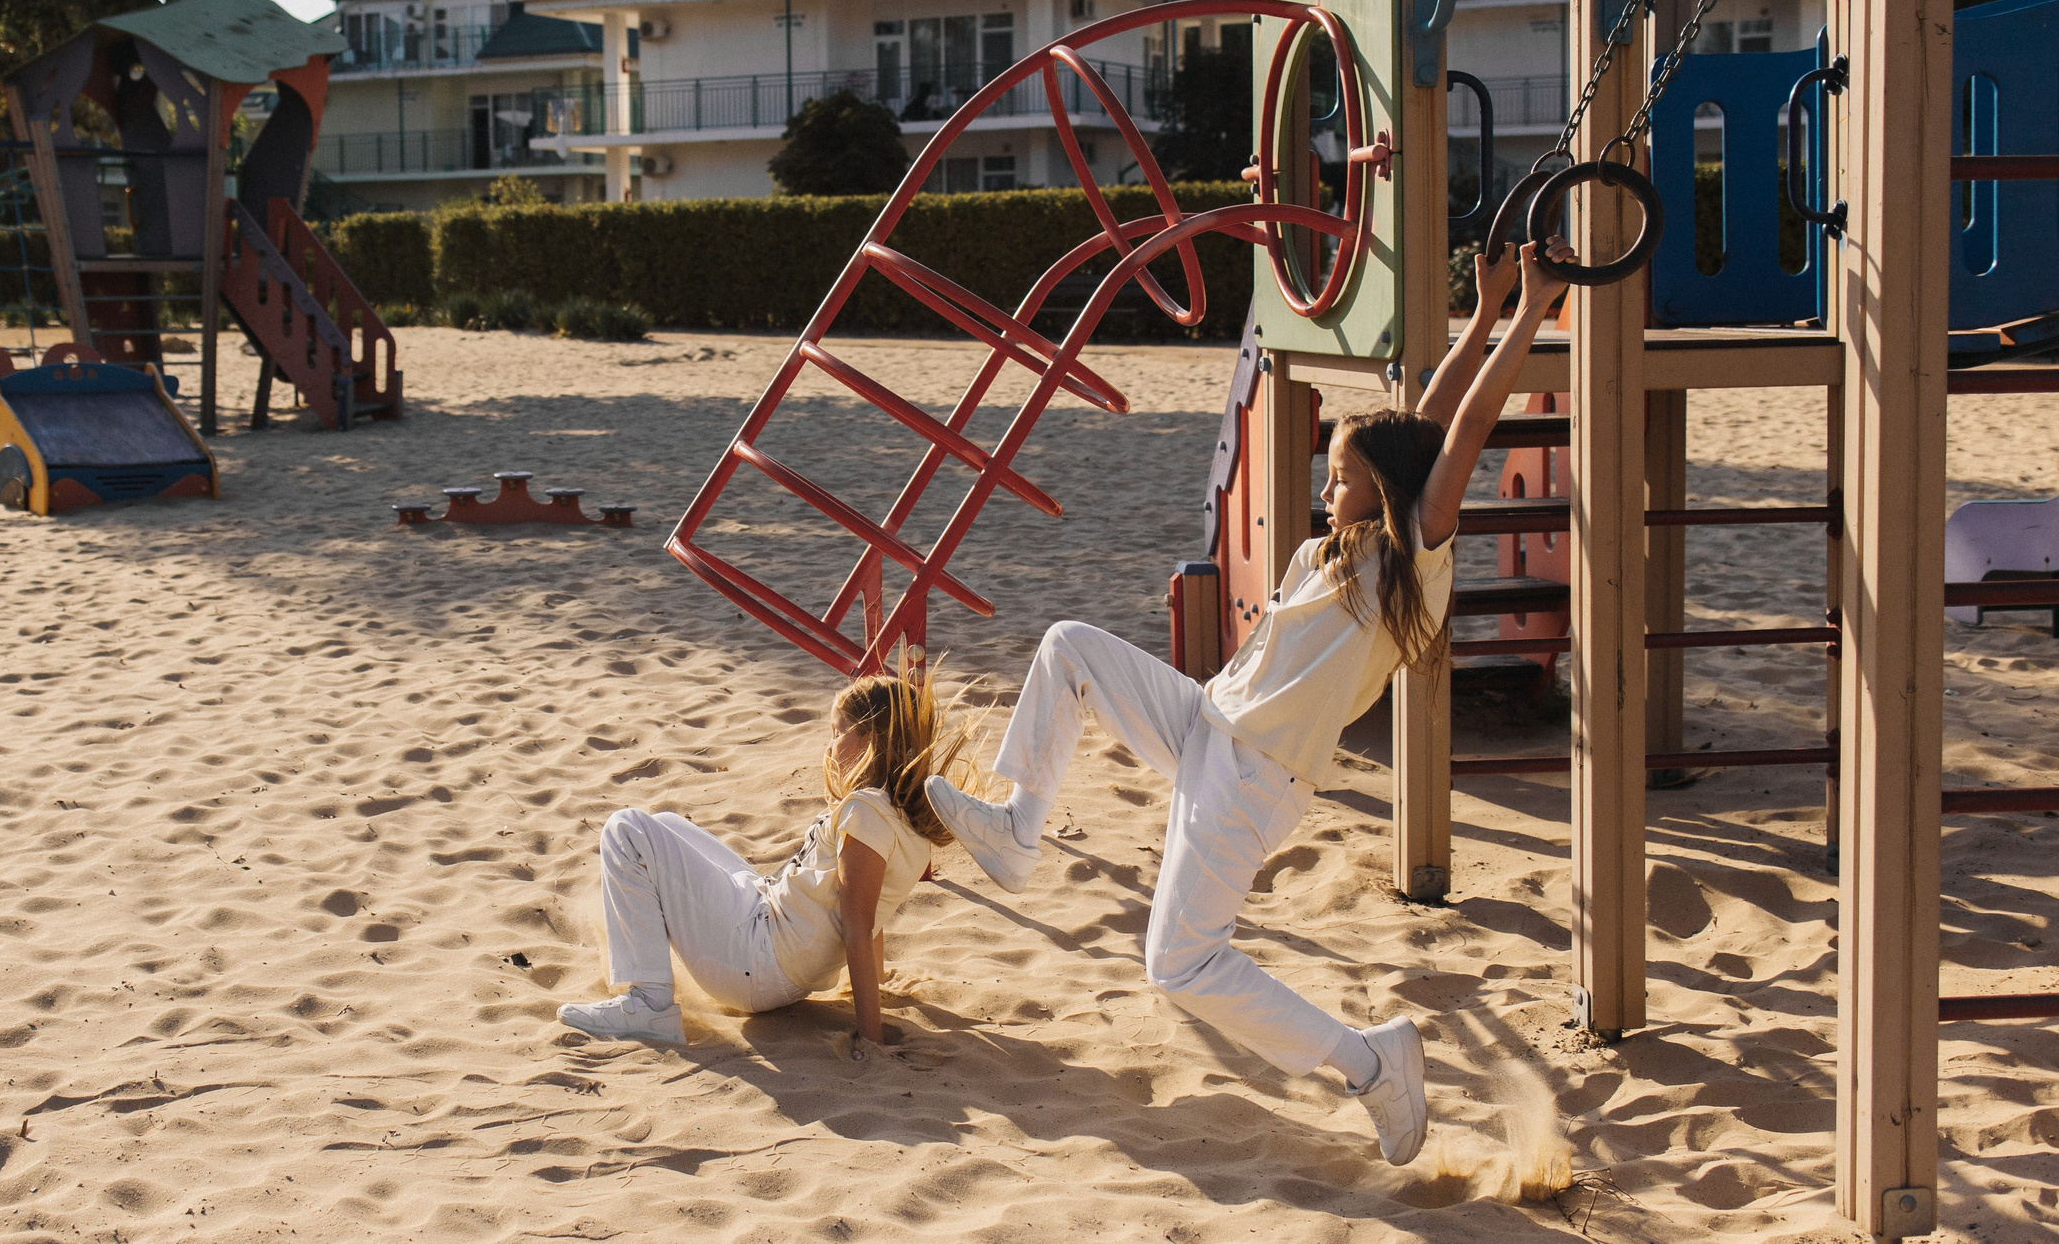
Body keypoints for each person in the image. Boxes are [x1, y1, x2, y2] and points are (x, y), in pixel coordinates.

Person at [925, 237, 1576, 1166]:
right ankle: (1018, 828)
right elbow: (1423, 425)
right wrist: (1481, 310)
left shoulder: (1407, 559)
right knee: (1069, 645)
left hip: (1251, 777)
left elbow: (1459, 436)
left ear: (1385, 492)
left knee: (1180, 963)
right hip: (1205, 720)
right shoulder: (1336, 549)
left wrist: (1527, 315)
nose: (1328, 484)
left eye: (1344, 474)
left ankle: (1371, 1064)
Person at [558, 665, 972, 1054]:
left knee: (625, 828)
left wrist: (871, 1037)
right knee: (663, 824)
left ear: (872, 741)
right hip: (772, 933)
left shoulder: (865, 812)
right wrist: (877, 981)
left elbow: (859, 923)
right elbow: (873, 904)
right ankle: (650, 994)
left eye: (839, 731)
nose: (830, 744)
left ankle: (648, 1003)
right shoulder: (902, 818)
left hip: (756, 962)